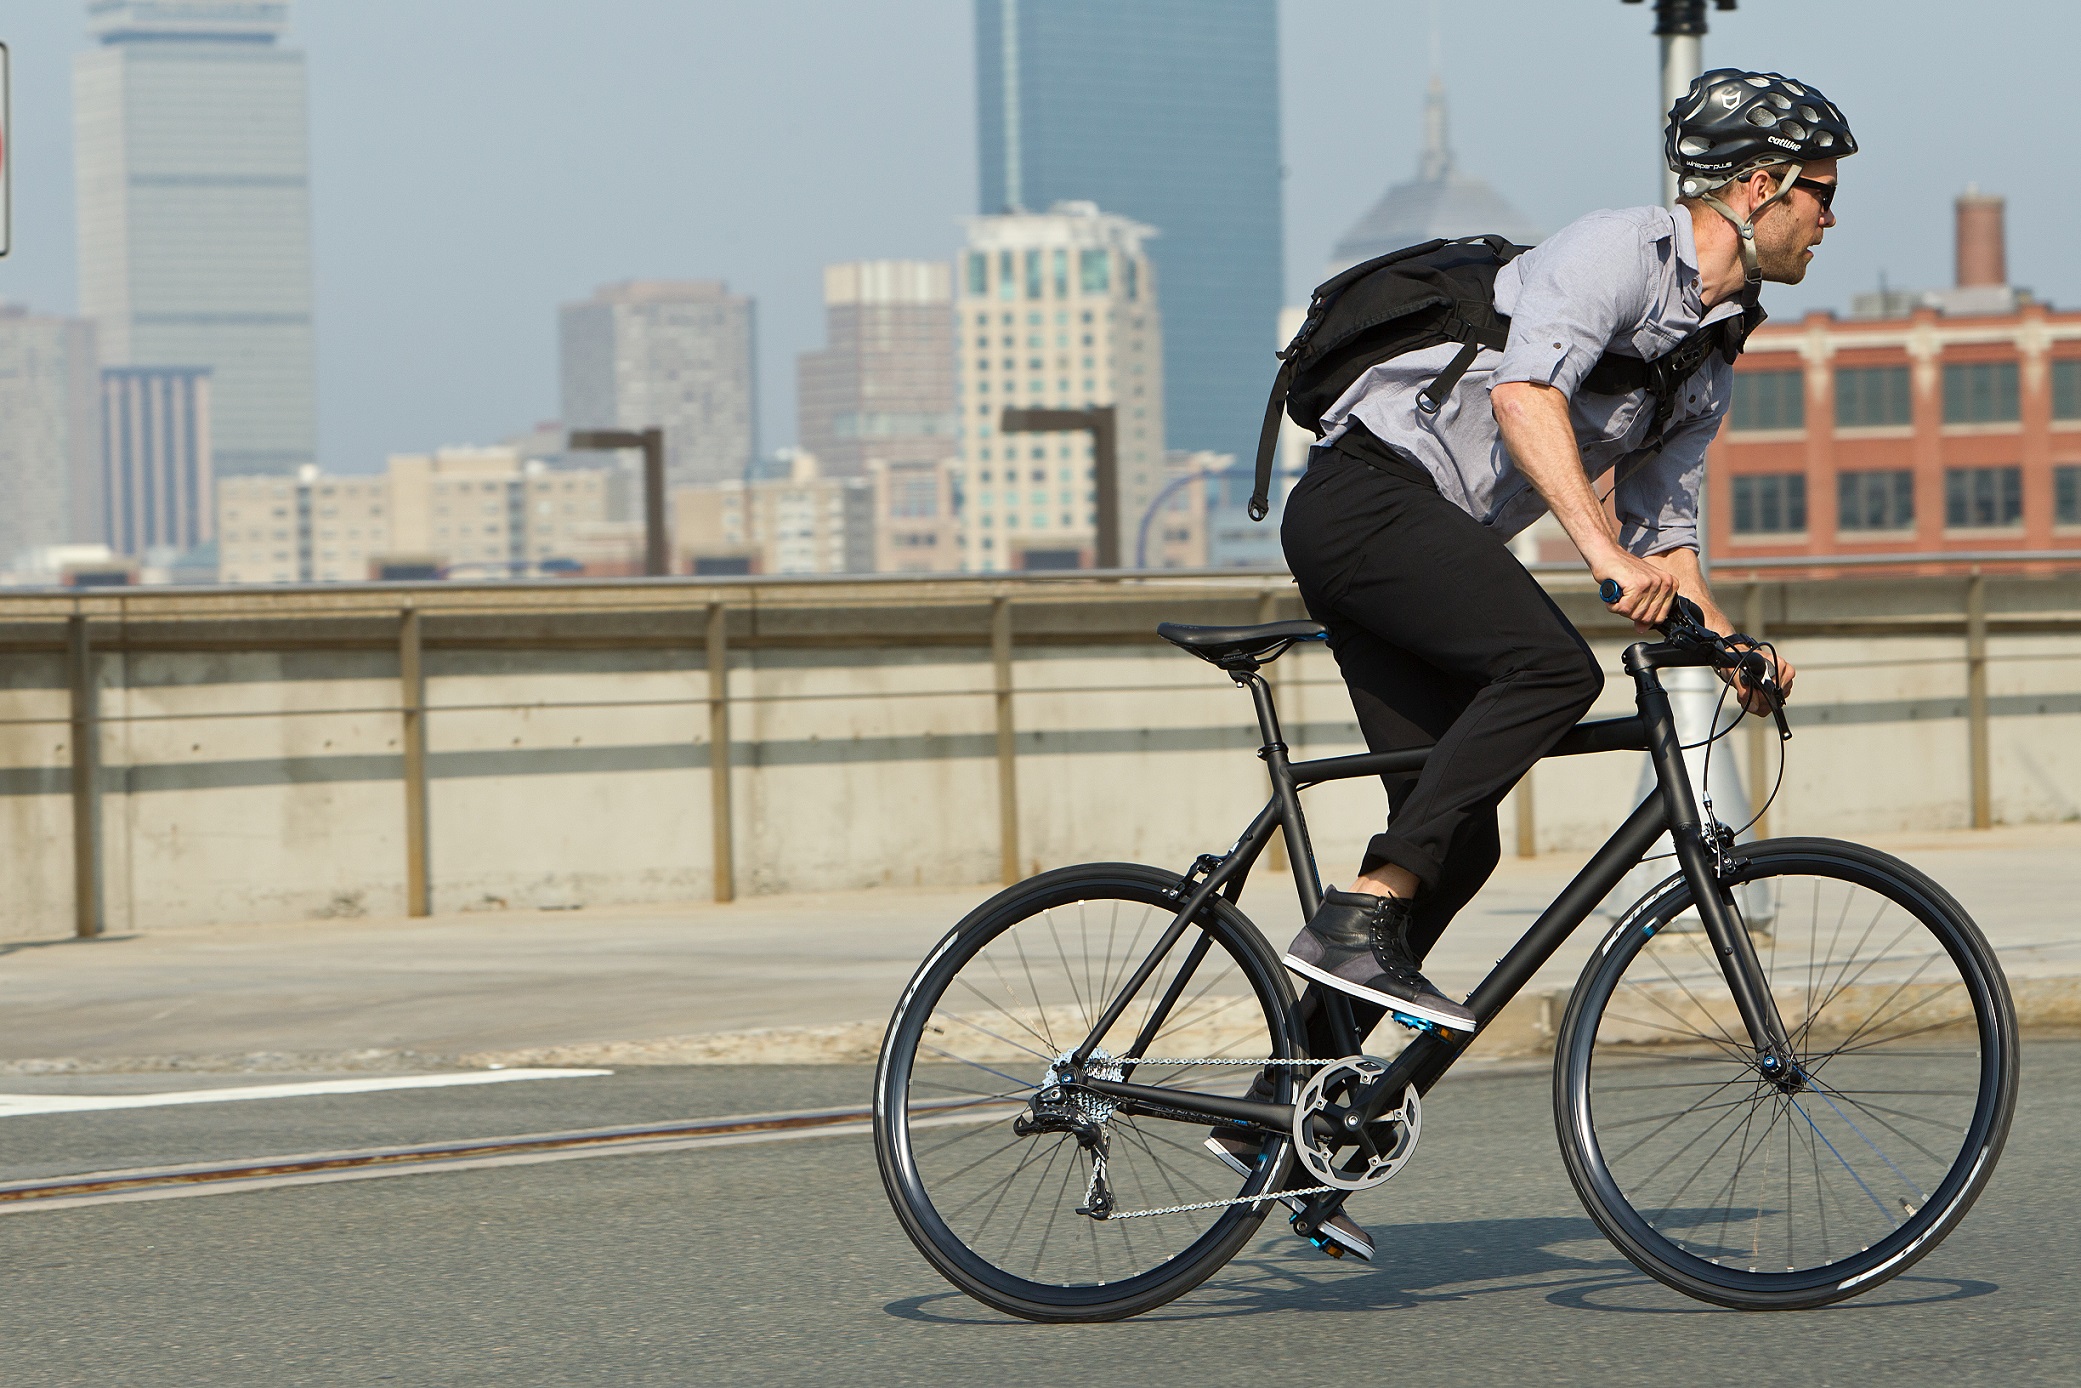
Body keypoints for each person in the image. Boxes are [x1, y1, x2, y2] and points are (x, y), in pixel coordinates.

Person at [1213, 69, 1853, 1261]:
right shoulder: (1611, 252)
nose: (1829, 215)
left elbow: (1668, 531)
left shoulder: (1710, 346)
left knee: (1462, 834)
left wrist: (1731, 641)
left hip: (1426, 537)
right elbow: (1523, 395)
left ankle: (1277, 1111)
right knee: (1552, 672)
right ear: (1758, 187)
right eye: (1818, 191)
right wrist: (1599, 554)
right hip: (1366, 503)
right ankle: (1361, 906)